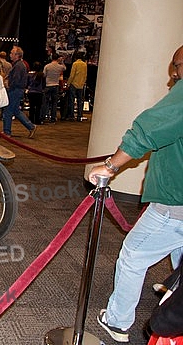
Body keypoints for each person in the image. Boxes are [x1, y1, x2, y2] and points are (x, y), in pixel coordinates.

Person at [89, 45, 183, 344]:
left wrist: (109, 166)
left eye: (177, 66)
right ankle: (175, 293)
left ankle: (117, 320)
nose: (173, 73)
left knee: (132, 256)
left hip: (175, 202)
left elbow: (148, 130)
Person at [3, 46, 37, 138]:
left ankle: (7, 132)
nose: (10, 55)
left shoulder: (18, 66)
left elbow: (16, 80)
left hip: (15, 90)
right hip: (18, 90)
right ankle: (31, 126)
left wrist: (8, 85)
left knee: (8, 111)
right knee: (16, 111)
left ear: (17, 55)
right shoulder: (19, 64)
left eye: (11, 53)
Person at [43, 53, 66, 122]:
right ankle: (53, 117)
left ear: (51, 58)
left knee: (45, 101)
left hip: (48, 85)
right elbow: (65, 68)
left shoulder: (47, 66)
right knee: (54, 102)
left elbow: (44, 75)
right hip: (56, 85)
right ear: (57, 58)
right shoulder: (60, 67)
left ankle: (45, 115)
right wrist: (62, 62)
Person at [65, 51, 88, 121]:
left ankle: (71, 116)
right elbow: (85, 75)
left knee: (71, 100)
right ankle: (79, 116)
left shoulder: (75, 64)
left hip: (74, 84)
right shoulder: (84, 64)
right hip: (81, 84)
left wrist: (68, 83)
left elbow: (72, 75)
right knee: (80, 101)